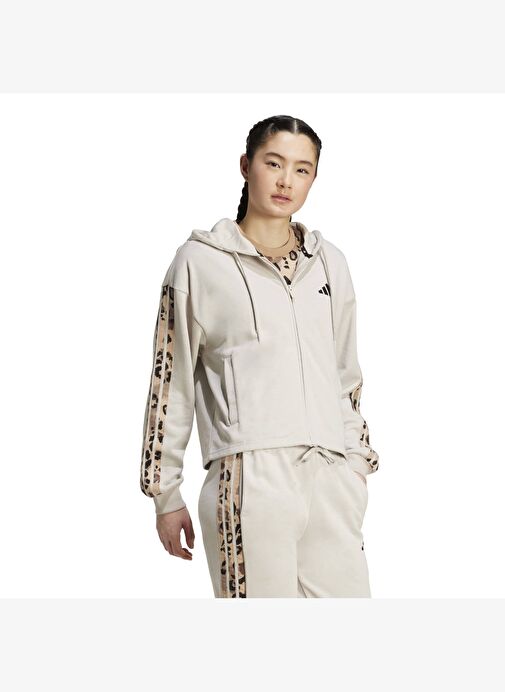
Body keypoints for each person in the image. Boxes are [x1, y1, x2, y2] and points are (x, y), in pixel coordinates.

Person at [140, 114, 380, 598]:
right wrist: (165, 493)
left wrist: (355, 464)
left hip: (330, 478)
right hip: (249, 479)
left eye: (302, 169)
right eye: (274, 163)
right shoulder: (199, 261)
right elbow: (172, 380)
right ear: (246, 166)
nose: (286, 180)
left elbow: (345, 375)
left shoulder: (329, 262)